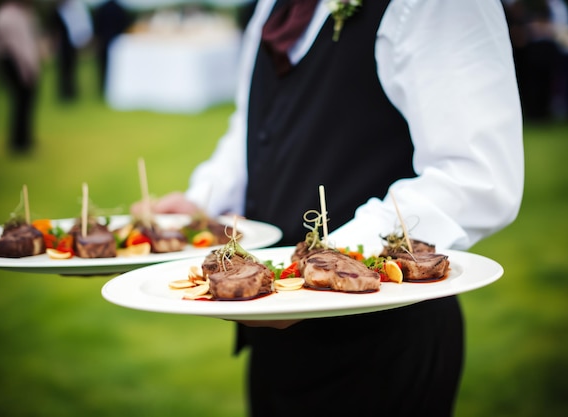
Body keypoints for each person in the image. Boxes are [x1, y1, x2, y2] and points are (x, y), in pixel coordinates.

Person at [132, 1, 524, 416]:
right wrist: (200, 204)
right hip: (272, 333)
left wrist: (326, 269)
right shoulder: (271, 6)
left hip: (382, 350)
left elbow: (476, 174)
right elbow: (257, 122)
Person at [0, 0, 41, 154]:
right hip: (16, 62)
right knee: (22, 102)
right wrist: (27, 67)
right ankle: (20, 142)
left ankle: (22, 139)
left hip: (13, 62)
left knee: (22, 103)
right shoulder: (10, 17)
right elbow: (17, 46)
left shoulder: (8, 14)